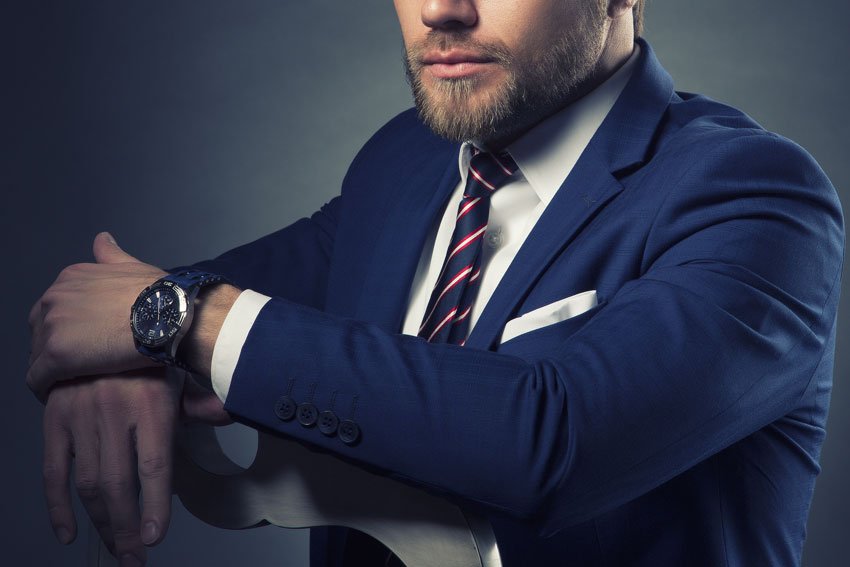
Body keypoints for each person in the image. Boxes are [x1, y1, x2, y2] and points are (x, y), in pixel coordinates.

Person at [27, 0, 844, 566]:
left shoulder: (757, 196)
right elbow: (177, 305)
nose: (440, 11)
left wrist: (180, 323)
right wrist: (133, 353)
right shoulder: (403, 162)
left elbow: (551, 441)